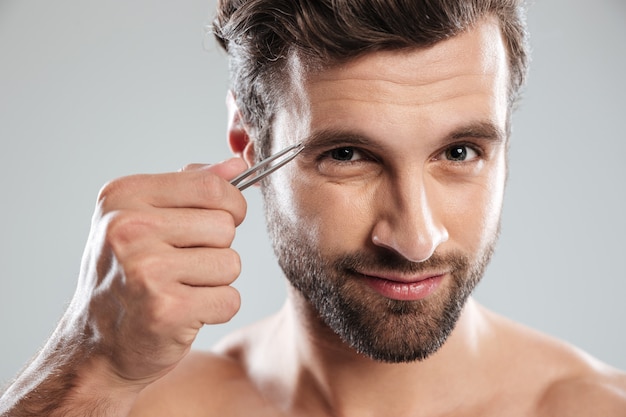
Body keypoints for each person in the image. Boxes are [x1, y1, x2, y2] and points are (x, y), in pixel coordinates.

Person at [1, 0, 625, 415]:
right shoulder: (136, 403)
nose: (416, 238)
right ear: (248, 142)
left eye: (459, 151)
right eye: (349, 154)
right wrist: (89, 368)